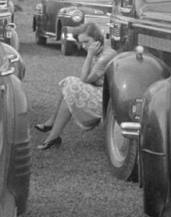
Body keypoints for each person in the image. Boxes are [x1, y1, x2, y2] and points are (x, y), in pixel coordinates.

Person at [35, 22, 115, 150]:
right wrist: (90, 54)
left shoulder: (106, 55)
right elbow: (86, 77)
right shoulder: (98, 51)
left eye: (87, 42)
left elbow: (84, 78)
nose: (84, 46)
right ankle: (52, 130)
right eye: (82, 43)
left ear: (97, 39)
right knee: (69, 83)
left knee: (71, 86)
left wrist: (89, 55)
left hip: (106, 100)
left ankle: (52, 132)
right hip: (98, 91)